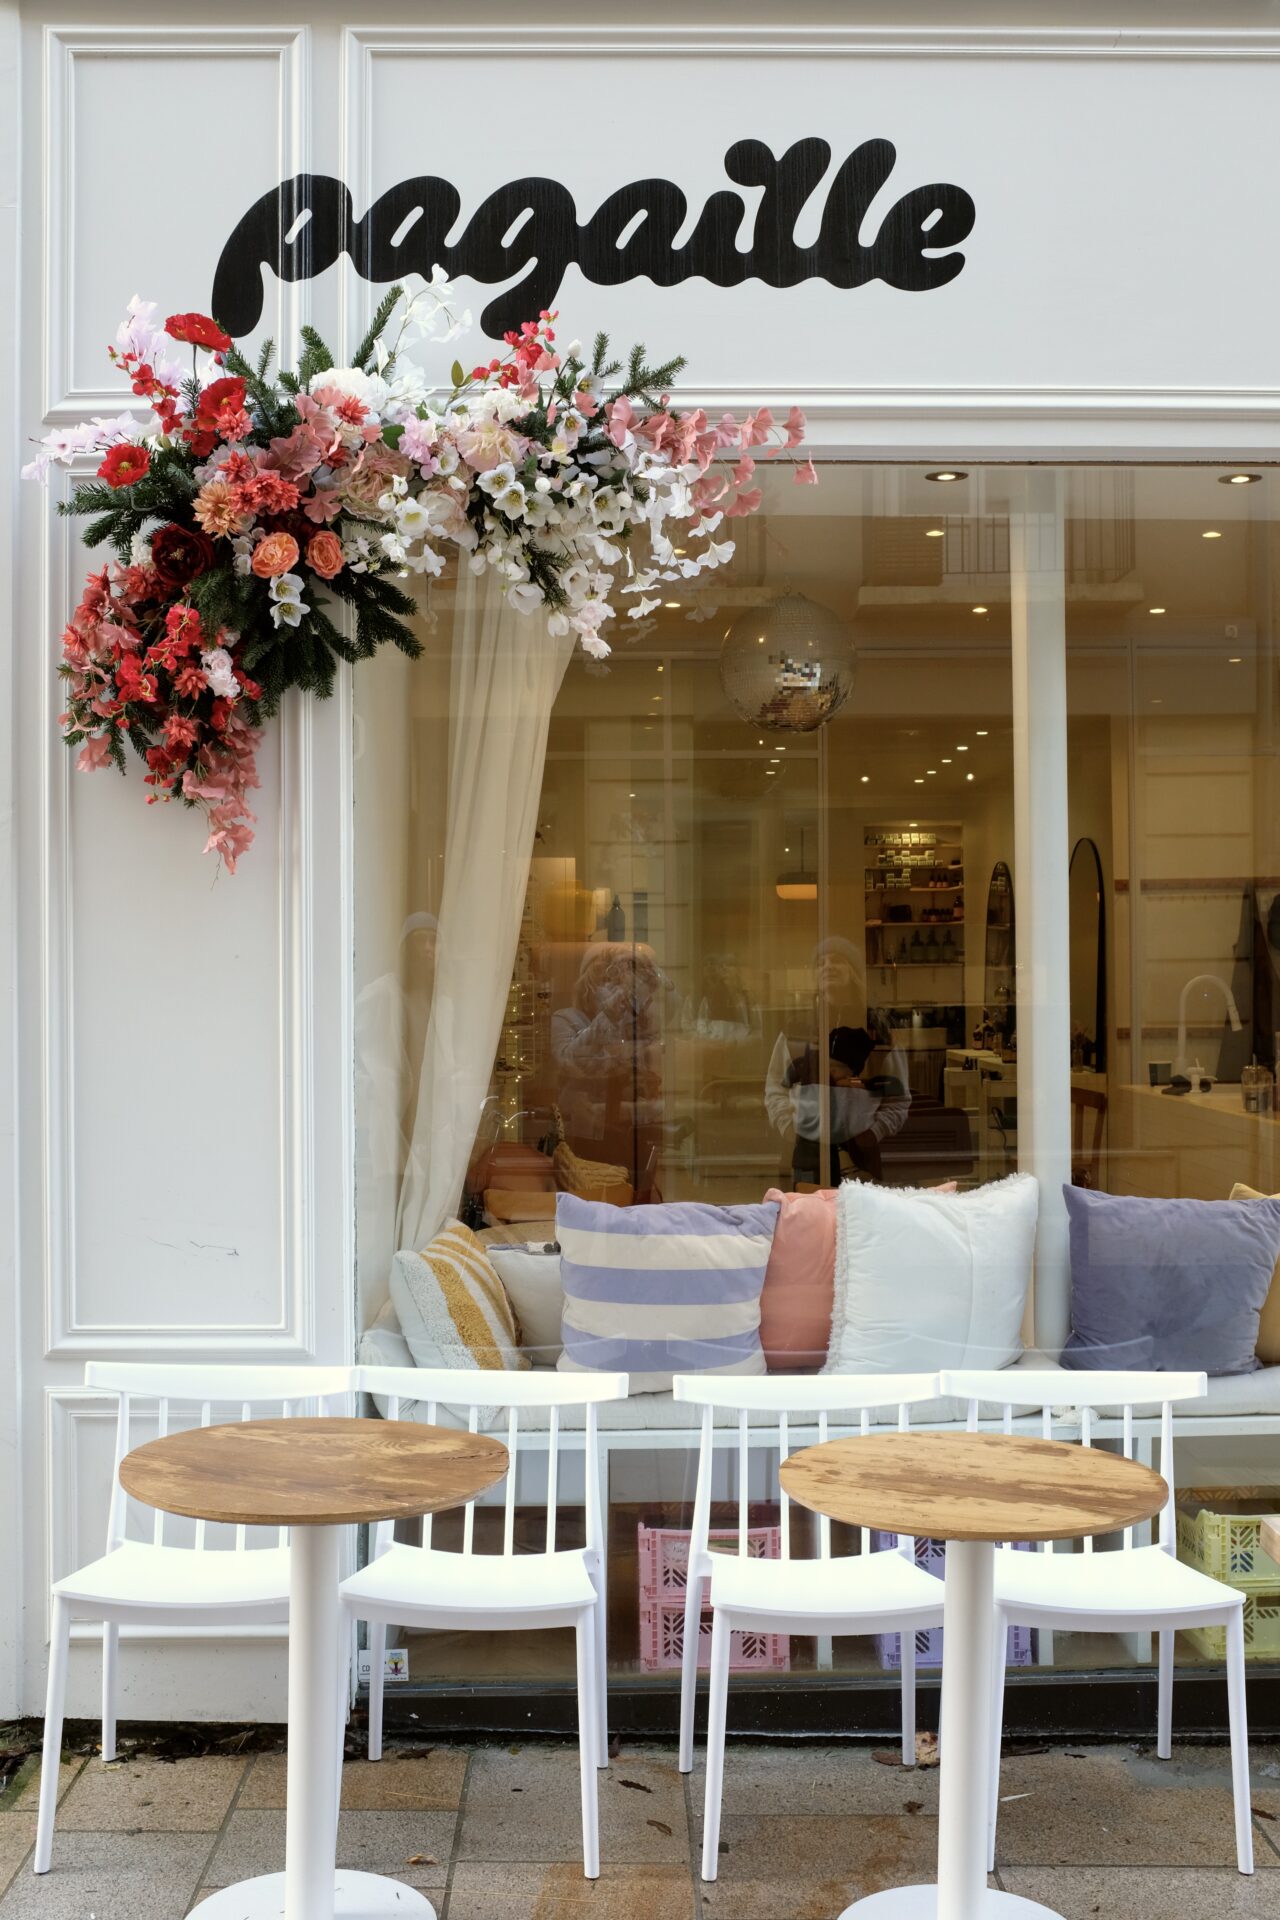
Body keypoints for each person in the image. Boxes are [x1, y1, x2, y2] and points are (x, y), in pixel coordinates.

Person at [765, 936, 910, 1185]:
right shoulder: (795, 1027)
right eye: (821, 963)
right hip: (806, 1153)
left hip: (860, 1156)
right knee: (807, 1219)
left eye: (837, 961)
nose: (828, 967)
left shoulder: (877, 1028)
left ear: (853, 972)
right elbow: (774, 1088)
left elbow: (898, 1099)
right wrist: (789, 1128)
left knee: (858, 1222)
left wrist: (872, 1134)